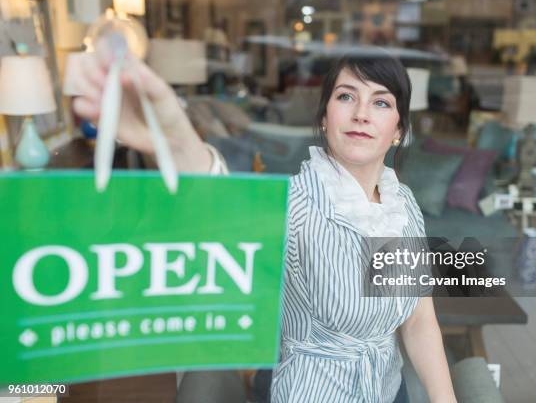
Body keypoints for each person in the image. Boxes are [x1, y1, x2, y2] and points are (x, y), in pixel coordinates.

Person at [73, 42, 457, 403]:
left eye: (381, 102)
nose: (361, 113)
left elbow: (419, 322)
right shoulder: (294, 202)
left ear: (399, 131)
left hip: (390, 390)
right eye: (346, 96)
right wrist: (176, 142)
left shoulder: (401, 202)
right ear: (325, 118)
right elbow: (220, 204)